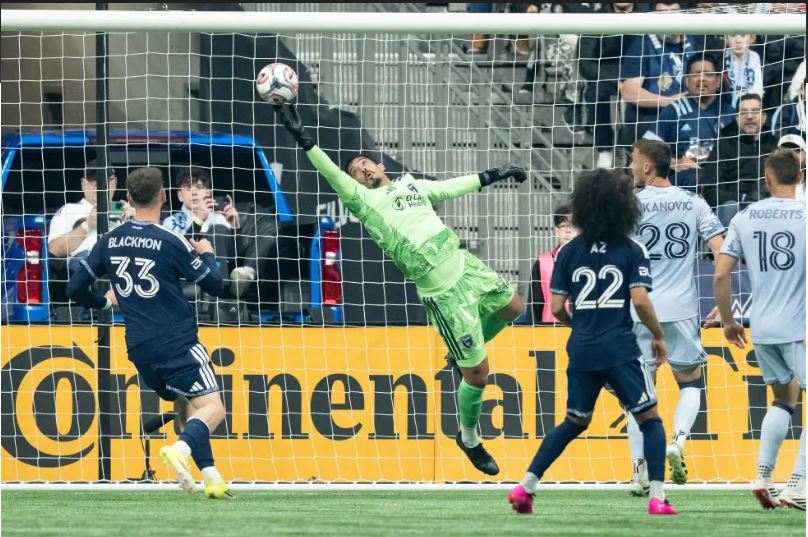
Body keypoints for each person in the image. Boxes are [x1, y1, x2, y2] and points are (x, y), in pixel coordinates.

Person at [274, 103, 526, 476]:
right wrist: (304, 139)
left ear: (380, 166)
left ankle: (463, 355)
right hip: (443, 295)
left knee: (514, 307)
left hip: (464, 266)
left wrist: (494, 174)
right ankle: (469, 438)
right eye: (355, 171)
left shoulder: (411, 185)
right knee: (479, 376)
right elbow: (329, 172)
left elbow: (449, 188)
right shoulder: (363, 202)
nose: (360, 169)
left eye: (364, 163)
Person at [508, 169, 677, 516]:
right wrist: (658, 335)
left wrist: (580, 324)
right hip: (619, 348)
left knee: (574, 420)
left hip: (582, 347)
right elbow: (641, 301)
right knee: (650, 418)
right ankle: (657, 497)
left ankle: (525, 487)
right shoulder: (632, 248)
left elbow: (555, 307)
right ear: (623, 207)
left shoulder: (568, 252)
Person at [65, 167, 236, 500]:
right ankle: (181, 450)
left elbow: (73, 287)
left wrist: (101, 300)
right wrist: (208, 253)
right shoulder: (170, 240)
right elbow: (217, 286)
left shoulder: (109, 239)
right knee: (214, 408)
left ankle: (212, 477)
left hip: (139, 349)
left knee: (188, 401)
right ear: (162, 197)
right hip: (177, 341)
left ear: (128, 198)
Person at [626, 139, 725, 494]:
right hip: (681, 310)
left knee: (637, 394)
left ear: (648, 167)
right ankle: (678, 443)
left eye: (634, 161)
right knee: (691, 384)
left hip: (639, 309)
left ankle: (639, 470)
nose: (632, 167)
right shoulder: (693, 202)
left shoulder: (630, 204)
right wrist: (729, 298)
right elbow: (720, 250)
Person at [714, 149, 805, 511]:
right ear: (800, 177)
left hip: (763, 327)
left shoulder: (744, 217)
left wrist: (727, 321)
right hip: (799, 325)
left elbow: (721, 274)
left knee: (784, 400)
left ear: (767, 180)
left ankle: (763, 476)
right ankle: (798, 484)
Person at [642, 53, 732, 191]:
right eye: (696, 74)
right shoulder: (674, 110)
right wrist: (676, 163)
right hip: (685, 180)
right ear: (686, 81)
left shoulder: (731, 113)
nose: (701, 79)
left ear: (718, 80)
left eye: (708, 74)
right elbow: (644, 151)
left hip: (723, 179)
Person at [163, 167, 255, 298]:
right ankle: (219, 290)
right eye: (188, 188)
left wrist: (236, 227)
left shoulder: (220, 217)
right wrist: (199, 220)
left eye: (199, 187)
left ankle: (221, 289)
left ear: (208, 192)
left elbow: (237, 257)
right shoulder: (171, 221)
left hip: (222, 274)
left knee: (218, 229)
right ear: (180, 195)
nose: (194, 193)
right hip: (187, 275)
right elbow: (176, 253)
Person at [619, 3, 697, 147]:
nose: (668, 16)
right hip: (650, 120)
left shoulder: (695, 42)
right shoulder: (642, 44)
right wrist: (667, 102)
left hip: (689, 118)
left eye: (673, 10)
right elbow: (628, 91)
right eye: (663, 12)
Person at [577, 2, 640, 168]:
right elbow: (585, 63)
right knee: (597, 92)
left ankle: (640, 149)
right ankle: (604, 151)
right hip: (606, 76)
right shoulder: (595, 18)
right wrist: (616, 79)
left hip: (642, 74)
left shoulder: (648, 14)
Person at [702, 93, 778, 226]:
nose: (749, 117)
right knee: (730, 207)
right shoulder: (724, 145)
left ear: (764, 117)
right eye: (743, 113)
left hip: (769, 205)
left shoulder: (776, 145)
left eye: (755, 111)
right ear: (737, 119)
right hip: (735, 208)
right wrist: (743, 199)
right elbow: (710, 190)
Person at [48, 166, 134, 275]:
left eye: (105, 180)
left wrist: (136, 222)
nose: (100, 186)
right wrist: (88, 225)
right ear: (83, 184)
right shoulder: (69, 210)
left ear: (115, 182)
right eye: (94, 181)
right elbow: (54, 249)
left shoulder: (125, 209)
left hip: (123, 266)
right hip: (85, 266)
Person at [526, 204, 575, 324]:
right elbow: (534, 306)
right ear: (556, 231)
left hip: (582, 332)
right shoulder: (542, 262)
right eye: (563, 226)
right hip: (549, 331)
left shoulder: (589, 261)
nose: (568, 230)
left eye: (572, 225)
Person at [723, 34, 764, 110]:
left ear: (752, 38)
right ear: (726, 39)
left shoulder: (756, 57)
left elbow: (758, 91)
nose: (738, 41)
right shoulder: (721, 58)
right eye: (733, 35)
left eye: (743, 35)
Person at [777, 133, 806, 201]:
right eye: (785, 152)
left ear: (805, 155)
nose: (791, 155)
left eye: (796, 151)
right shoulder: (768, 184)